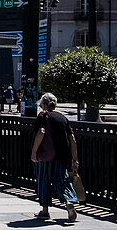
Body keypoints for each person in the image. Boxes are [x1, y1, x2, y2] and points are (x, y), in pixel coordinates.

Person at [31, 92, 79, 223]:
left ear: (44, 104)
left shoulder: (43, 115)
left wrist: (34, 151)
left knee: (44, 180)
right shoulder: (63, 118)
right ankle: (69, 200)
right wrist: (75, 159)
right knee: (62, 179)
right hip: (62, 155)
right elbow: (72, 139)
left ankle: (45, 211)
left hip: (46, 155)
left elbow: (41, 132)